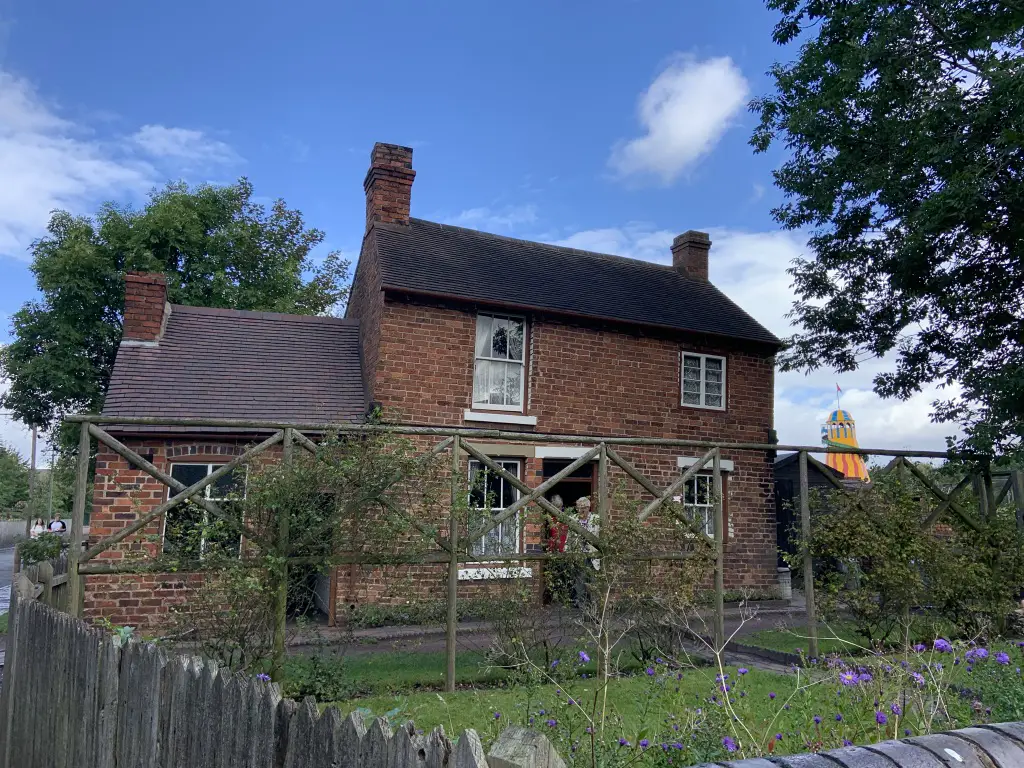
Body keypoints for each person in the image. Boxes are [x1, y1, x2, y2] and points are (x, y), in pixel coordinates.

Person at [567, 496, 600, 609]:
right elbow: (569, 538)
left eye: (584, 508)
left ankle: (594, 604)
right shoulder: (573, 519)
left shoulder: (596, 519)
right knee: (579, 580)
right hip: (578, 554)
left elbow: (600, 537)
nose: (581, 510)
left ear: (588, 507)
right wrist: (569, 553)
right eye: (579, 508)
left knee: (593, 580)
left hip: (593, 554)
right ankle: (581, 604)